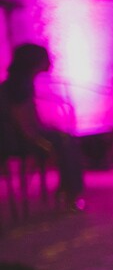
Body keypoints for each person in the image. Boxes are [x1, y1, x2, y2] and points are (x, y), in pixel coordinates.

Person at [0, 43, 84, 213]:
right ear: (35, 61)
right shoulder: (20, 86)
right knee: (67, 143)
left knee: (65, 140)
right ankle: (72, 195)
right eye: (46, 57)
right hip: (18, 141)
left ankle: (67, 189)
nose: (50, 62)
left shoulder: (19, 83)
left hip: (18, 137)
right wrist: (42, 143)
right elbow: (24, 126)